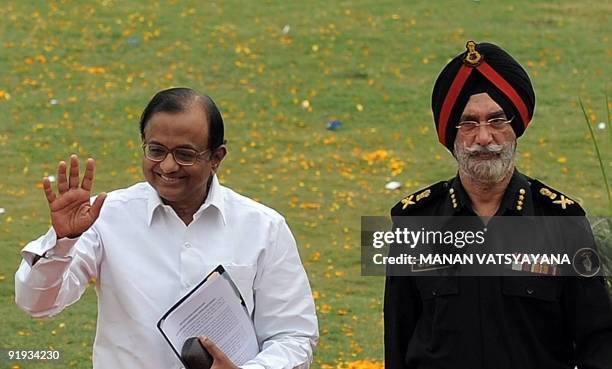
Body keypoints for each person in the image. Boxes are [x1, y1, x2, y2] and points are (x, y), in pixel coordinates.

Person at [15, 87, 319, 369]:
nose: (168, 166)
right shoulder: (103, 217)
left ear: (217, 157)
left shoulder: (264, 228)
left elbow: (294, 336)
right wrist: (63, 241)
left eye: (185, 154)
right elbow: (36, 304)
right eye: (156, 150)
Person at [384, 41, 612, 369]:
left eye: (497, 121)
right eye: (469, 123)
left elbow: (599, 341)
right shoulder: (414, 222)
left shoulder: (561, 221)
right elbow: (398, 340)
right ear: (452, 134)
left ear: (515, 130)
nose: (484, 138)